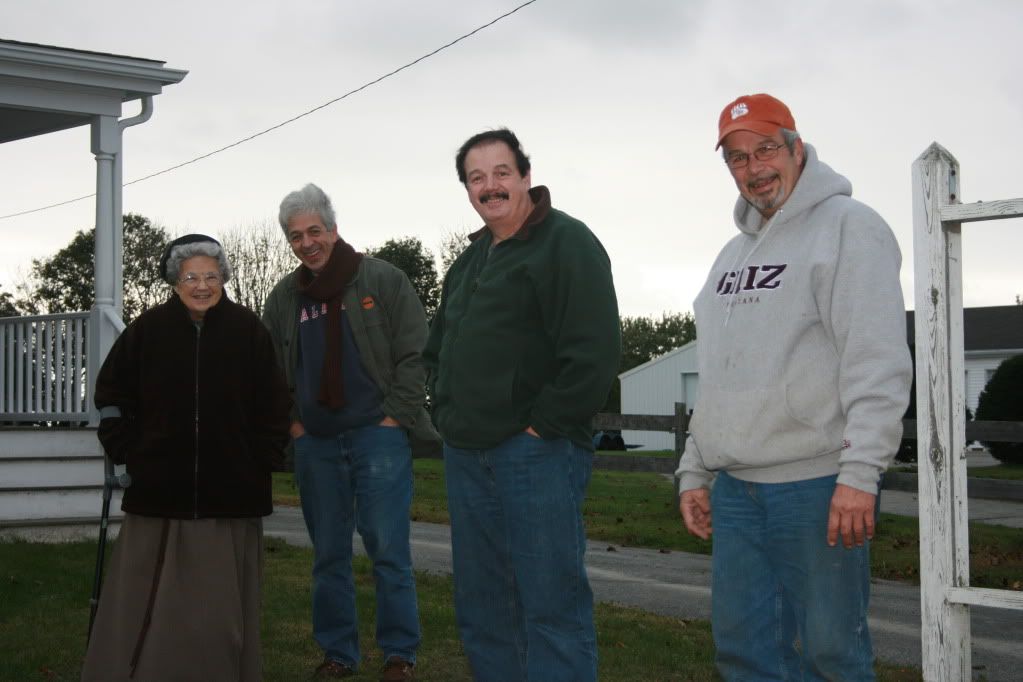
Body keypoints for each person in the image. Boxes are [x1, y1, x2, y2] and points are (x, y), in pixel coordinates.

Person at [676, 94, 913, 680]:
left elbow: (876, 360)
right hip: (736, 493)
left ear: (796, 147)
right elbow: (719, 373)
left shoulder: (850, 229)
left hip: (817, 486)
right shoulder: (731, 258)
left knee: (833, 655)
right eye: (736, 158)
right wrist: (695, 470)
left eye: (765, 149)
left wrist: (860, 475)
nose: (753, 168)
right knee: (744, 652)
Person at [423, 129, 621, 682]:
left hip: (537, 454)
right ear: (467, 189)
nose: (490, 186)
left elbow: (594, 351)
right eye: (476, 177)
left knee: (550, 605)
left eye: (501, 172)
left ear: (526, 176)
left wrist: (541, 427)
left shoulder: (567, 242)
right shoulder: (469, 261)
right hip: (467, 454)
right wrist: (445, 412)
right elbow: (437, 348)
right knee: (484, 606)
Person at [82, 234, 291, 682]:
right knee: (145, 598)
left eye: (211, 276)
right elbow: (111, 395)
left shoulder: (248, 330)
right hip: (160, 491)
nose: (202, 285)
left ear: (223, 279)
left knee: (217, 607)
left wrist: (261, 459)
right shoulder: (147, 329)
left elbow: (275, 403)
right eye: (191, 276)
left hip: (230, 496)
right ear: (175, 281)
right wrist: (128, 451)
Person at [262, 183, 435, 681]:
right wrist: (293, 425)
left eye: (314, 231)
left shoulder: (381, 279)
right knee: (329, 554)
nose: (307, 242)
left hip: (376, 436)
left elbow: (415, 351)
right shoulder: (285, 298)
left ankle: (400, 654)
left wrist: (394, 416)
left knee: (387, 548)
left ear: (334, 229)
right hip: (315, 442)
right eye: (296, 236)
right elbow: (270, 370)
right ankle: (338, 654)